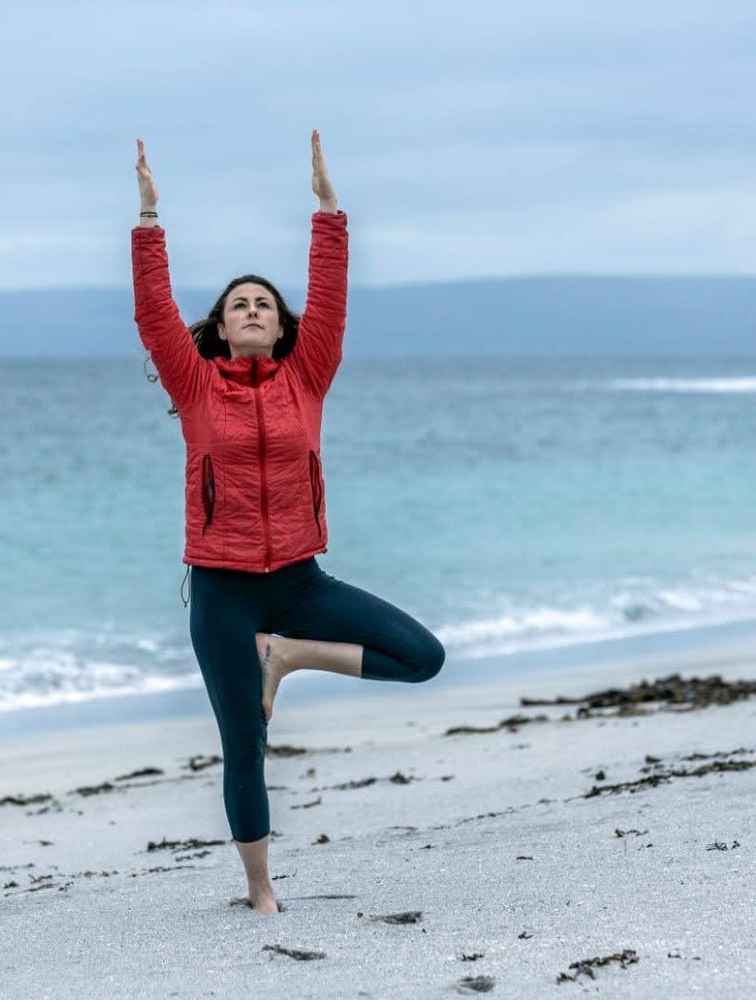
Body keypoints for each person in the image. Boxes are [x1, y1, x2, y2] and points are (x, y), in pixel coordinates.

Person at [131, 131, 445, 914]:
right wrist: (148, 217)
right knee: (246, 746)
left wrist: (329, 211)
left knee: (422, 657)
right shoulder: (198, 386)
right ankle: (261, 891)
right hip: (224, 591)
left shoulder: (309, 375)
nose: (251, 309)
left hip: (301, 583)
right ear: (223, 325)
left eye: (263, 303)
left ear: (279, 327)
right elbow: (154, 314)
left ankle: (290, 656)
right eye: (238, 303)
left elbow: (331, 298)